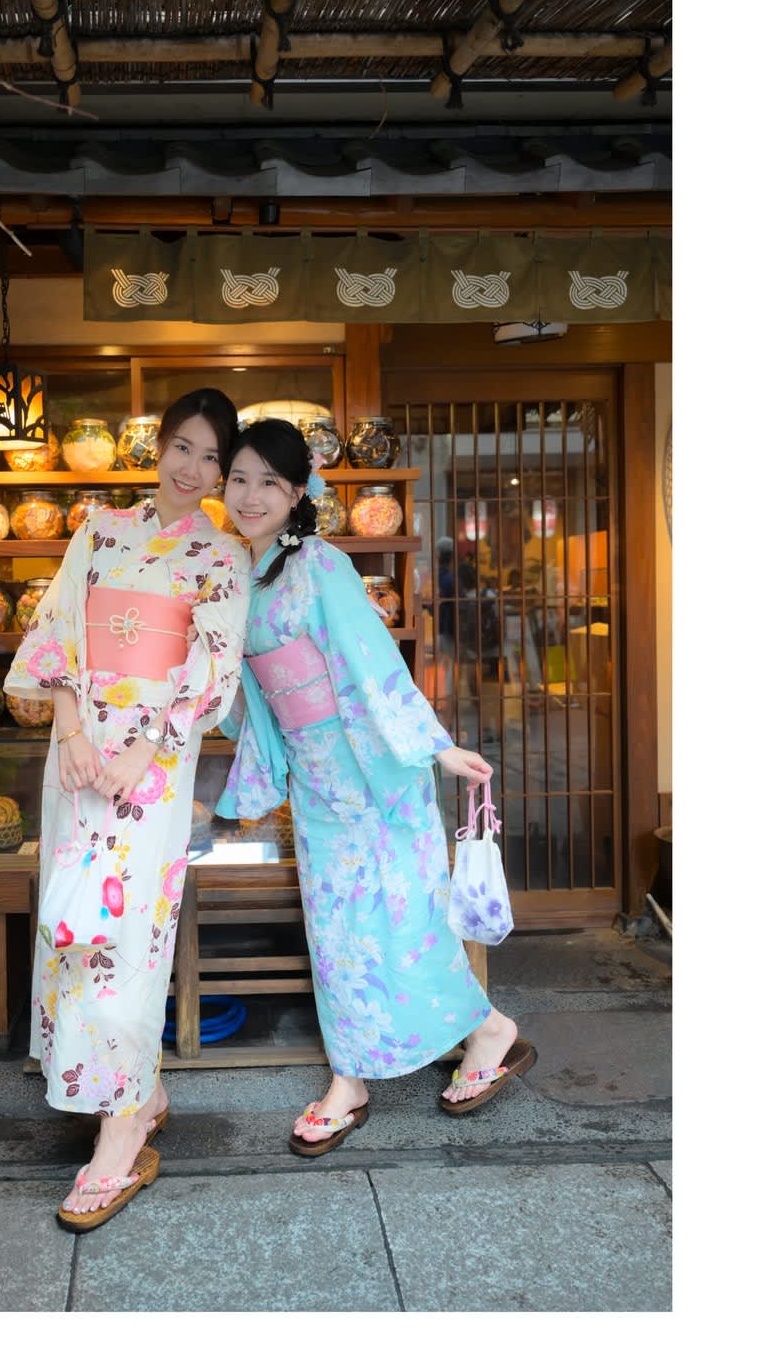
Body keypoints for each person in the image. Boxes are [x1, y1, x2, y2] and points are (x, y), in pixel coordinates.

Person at [216, 419, 535, 1155]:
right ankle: (353, 1077)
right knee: (338, 937)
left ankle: (489, 1033)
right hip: (319, 783)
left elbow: (372, 662)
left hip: (374, 773)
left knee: (406, 921)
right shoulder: (236, 574)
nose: (251, 494)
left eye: (270, 480)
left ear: (298, 492)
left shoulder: (319, 565)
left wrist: (437, 747)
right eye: (239, 478)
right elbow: (251, 694)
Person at [5, 389, 250, 1226]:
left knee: (130, 938)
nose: (194, 468)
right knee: (75, 926)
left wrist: (144, 749)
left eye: (212, 458)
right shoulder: (100, 530)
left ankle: (121, 1128)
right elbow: (61, 629)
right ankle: (133, 1095)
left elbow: (212, 671)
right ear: (160, 448)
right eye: (183, 447)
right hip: (77, 759)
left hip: (157, 765)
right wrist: (72, 732)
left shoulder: (221, 558)